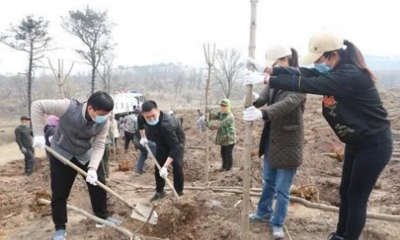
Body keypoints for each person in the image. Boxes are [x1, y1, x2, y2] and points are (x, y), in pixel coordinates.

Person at [242, 30, 393, 240]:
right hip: (357, 142)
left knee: (356, 197)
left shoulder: (350, 75)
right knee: (346, 193)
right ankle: (340, 235)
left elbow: (310, 83)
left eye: (320, 59)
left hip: (374, 144)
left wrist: (268, 79)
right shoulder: (336, 71)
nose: (317, 65)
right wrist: (269, 69)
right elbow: (307, 74)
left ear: (333, 55)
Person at [31, 91, 122, 240]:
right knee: (60, 192)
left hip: (84, 154)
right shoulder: (68, 107)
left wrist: (92, 168)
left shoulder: (103, 121)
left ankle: (102, 217)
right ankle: (60, 228)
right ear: (90, 108)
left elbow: (99, 145)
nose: (104, 117)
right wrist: (38, 134)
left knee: (98, 183)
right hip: (62, 154)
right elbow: (37, 105)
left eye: (107, 114)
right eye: (101, 113)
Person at [243, 45, 306, 239]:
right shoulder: (275, 81)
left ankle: (277, 223)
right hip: (272, 138)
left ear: (285, 60)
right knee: (268, 181)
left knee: (282, 189)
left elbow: (285, 105)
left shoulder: (300, 82)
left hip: (289, 143)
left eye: (275, 63)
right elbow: (266, 95)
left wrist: (263, 113)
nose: (272, 67)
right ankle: (263, 212)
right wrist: (254, 102)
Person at [138, 100, 185, 201]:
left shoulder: (167, 124)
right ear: (143, 115)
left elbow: (175, 147)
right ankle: (160, 192)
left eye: (153, 116)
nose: (151, 118)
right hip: (160, 141)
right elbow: (140, 124)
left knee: (177, 165)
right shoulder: (142, 117)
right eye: (148, 117)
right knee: (158, 166)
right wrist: (143, 137)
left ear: (158, 111)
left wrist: (165, 166)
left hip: (176, 142)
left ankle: (178, 191)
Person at [206, 99, 236, 172]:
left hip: (229, 138)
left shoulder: (230, 116)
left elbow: (220, 124)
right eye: (222, 106)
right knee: (223, 153)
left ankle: (229, 168)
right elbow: (214, 116)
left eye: (224, 106)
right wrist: (208, 113)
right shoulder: (221, 113)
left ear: (228, 106)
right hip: (223, 137)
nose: (222, 107)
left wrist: (208, 125)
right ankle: (224, 167)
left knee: (228, 154)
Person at [132, 109, 157, 175]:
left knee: (143, 154)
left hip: (136, 140)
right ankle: (157, 163)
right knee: (155, 146)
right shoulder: (147, 125)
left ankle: (139, 170)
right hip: (140, 140)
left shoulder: (144, 123)